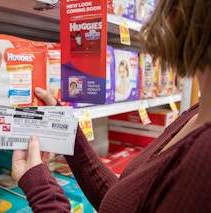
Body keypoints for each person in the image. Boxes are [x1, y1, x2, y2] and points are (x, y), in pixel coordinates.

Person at [12, 0, 211, 212]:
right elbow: (124, 204)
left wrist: (42, 191)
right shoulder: (198, 112)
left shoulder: (205, 156)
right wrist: (65, 129)